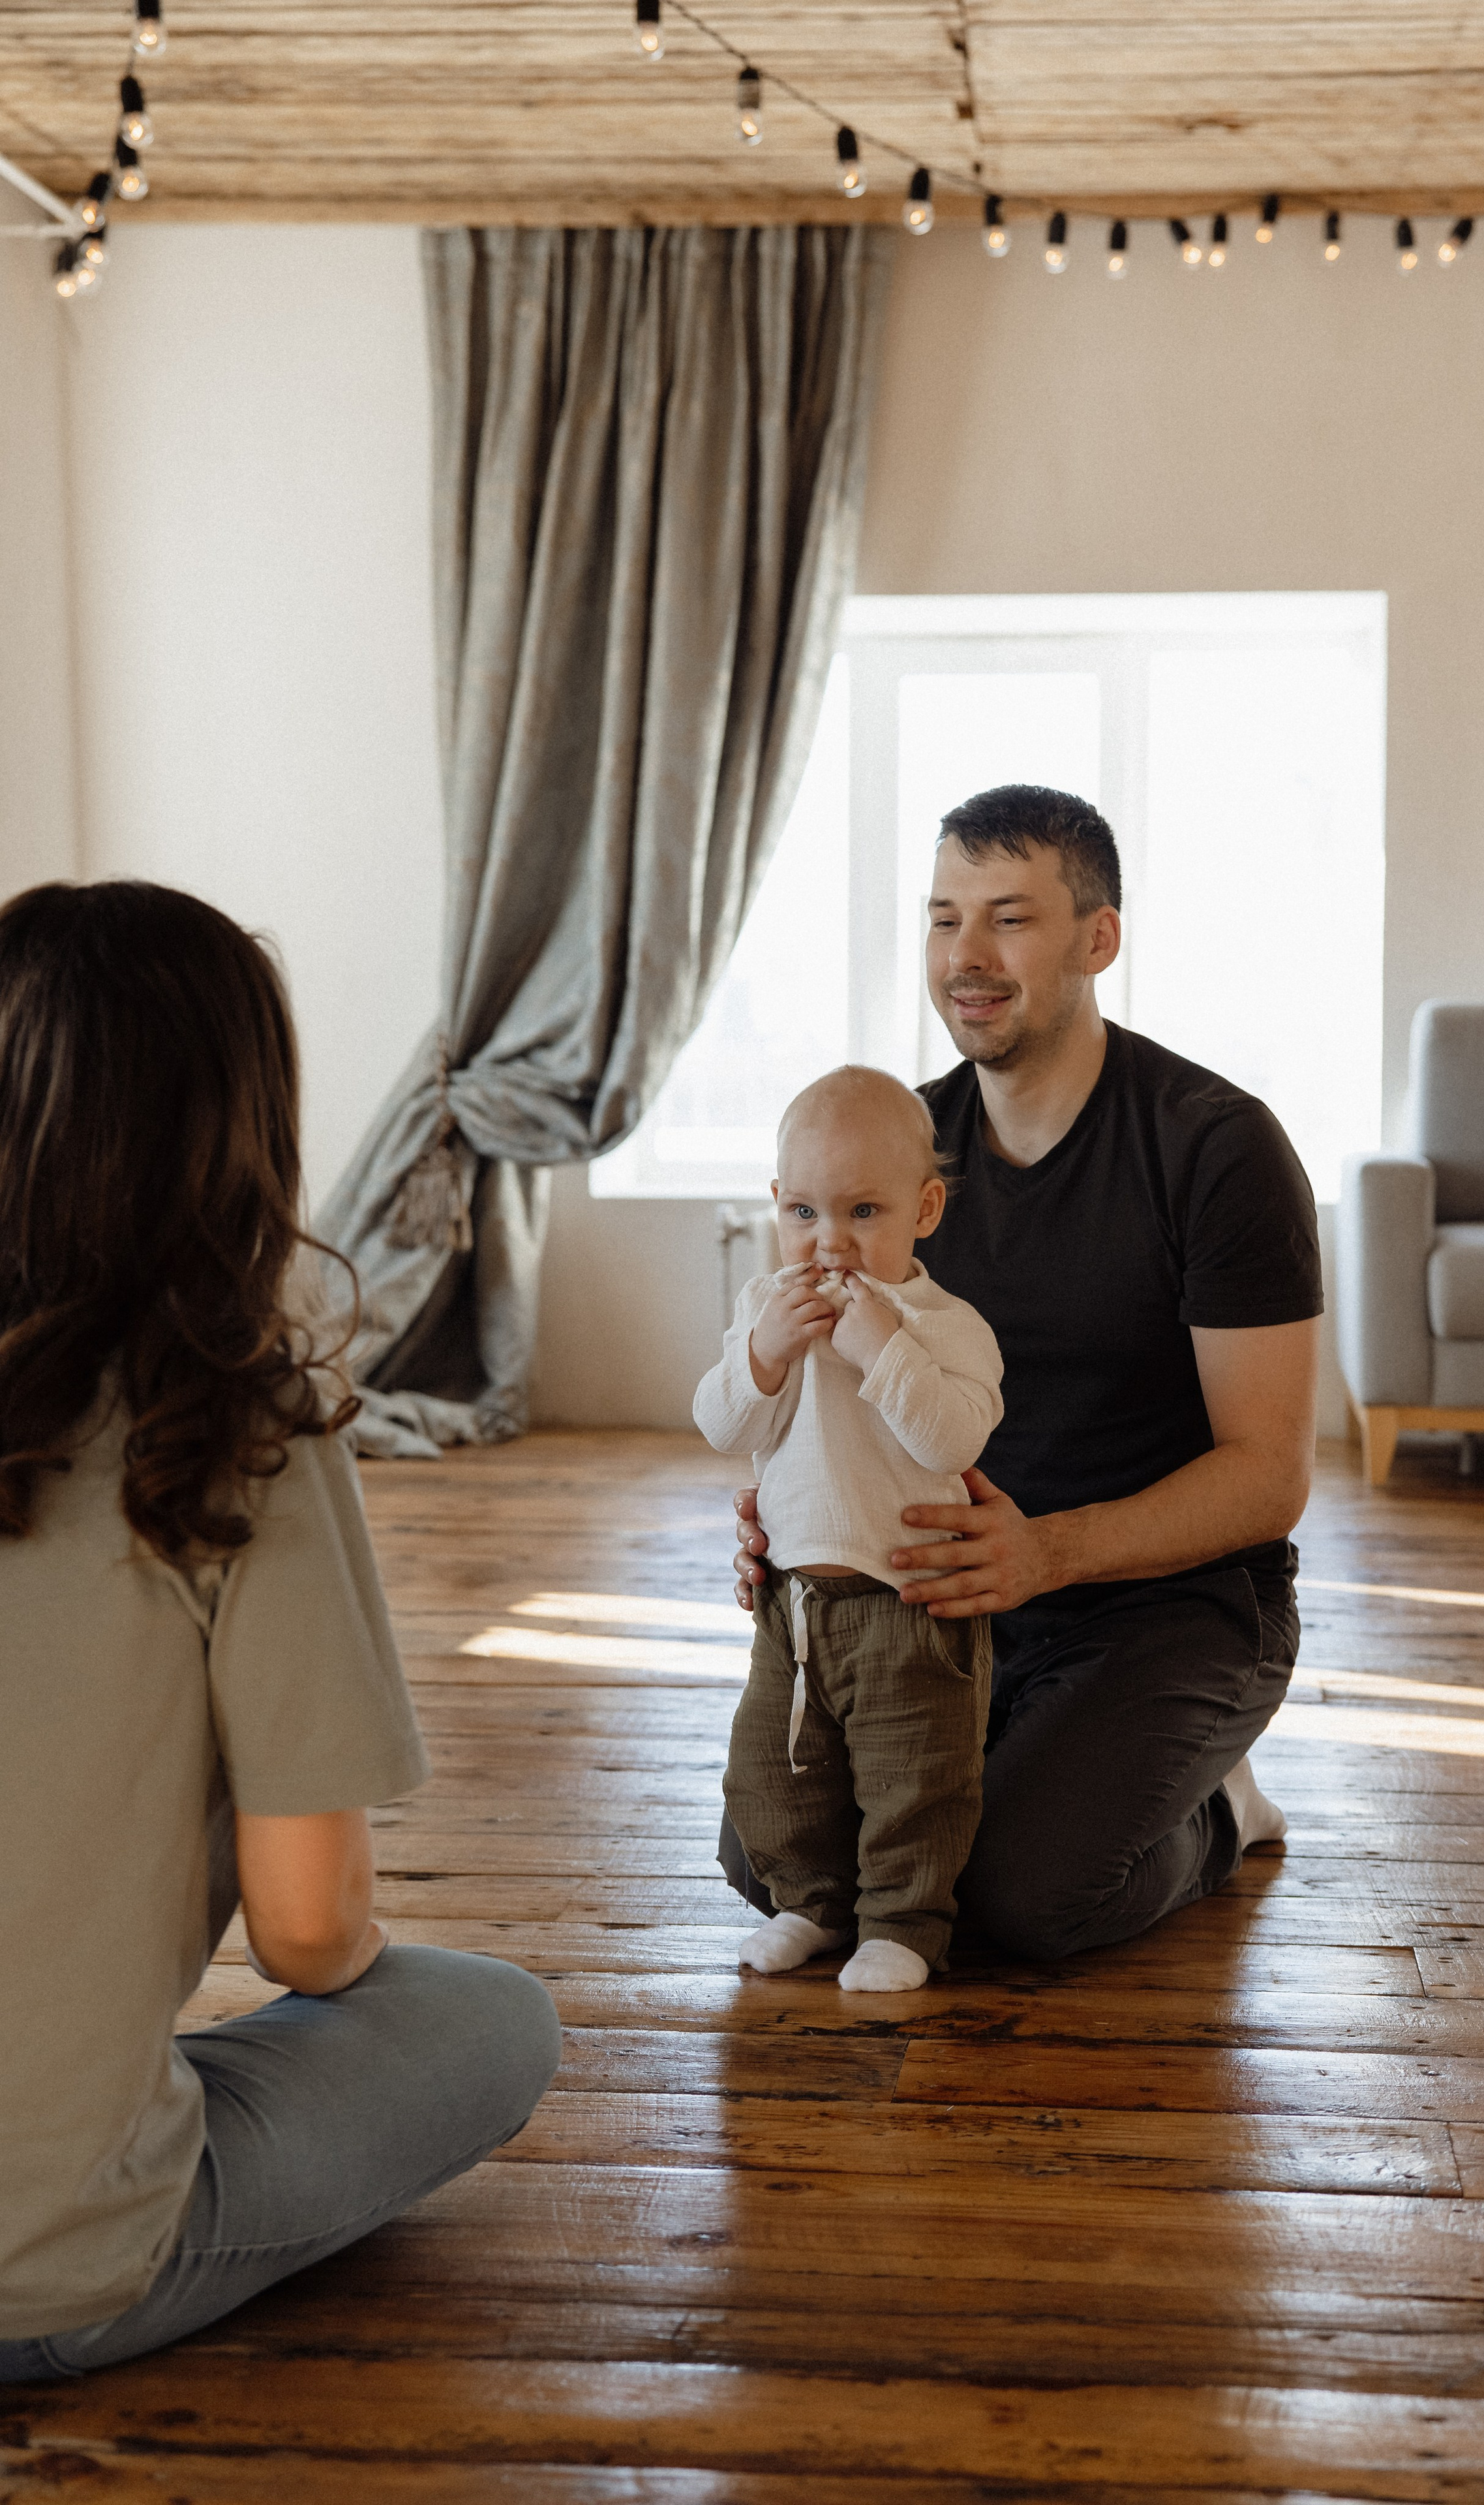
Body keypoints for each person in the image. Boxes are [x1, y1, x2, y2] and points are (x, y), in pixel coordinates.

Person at [0, 881, 562, 2382]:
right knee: (496, 2017)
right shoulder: (229, 1425)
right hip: (46, 2269)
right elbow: (308, 1936)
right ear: (234, 1128)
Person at [726, 784, 1322, 1963]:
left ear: (1099, 939)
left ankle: (1218, 1807)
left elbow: (1269, 1477)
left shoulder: (1217, 1147)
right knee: (782, 1864)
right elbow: (818, 1387)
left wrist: (1045, 1553)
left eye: (1009, 919)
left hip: (1177, 1607)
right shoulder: (893, 1156)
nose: (967, 957)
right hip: (935, 1605)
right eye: (945, 919)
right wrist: (794, 1517)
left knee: (1010, 1899)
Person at [694, 1067, 1003, 1993]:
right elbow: (723, 1425)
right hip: (792, 1606)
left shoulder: (946, 1326)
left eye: (863, 1211)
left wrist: (883, 1350)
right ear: (775, 1205)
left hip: (910, 1605)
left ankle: (904, 1925)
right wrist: (764, 1355)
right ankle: (814, 1905)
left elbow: (953, 1438)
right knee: (775, 1771)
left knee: (915, 1777)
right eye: (803, 1212)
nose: (828, 1241)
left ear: (925, 1209)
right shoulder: (768, 1311)